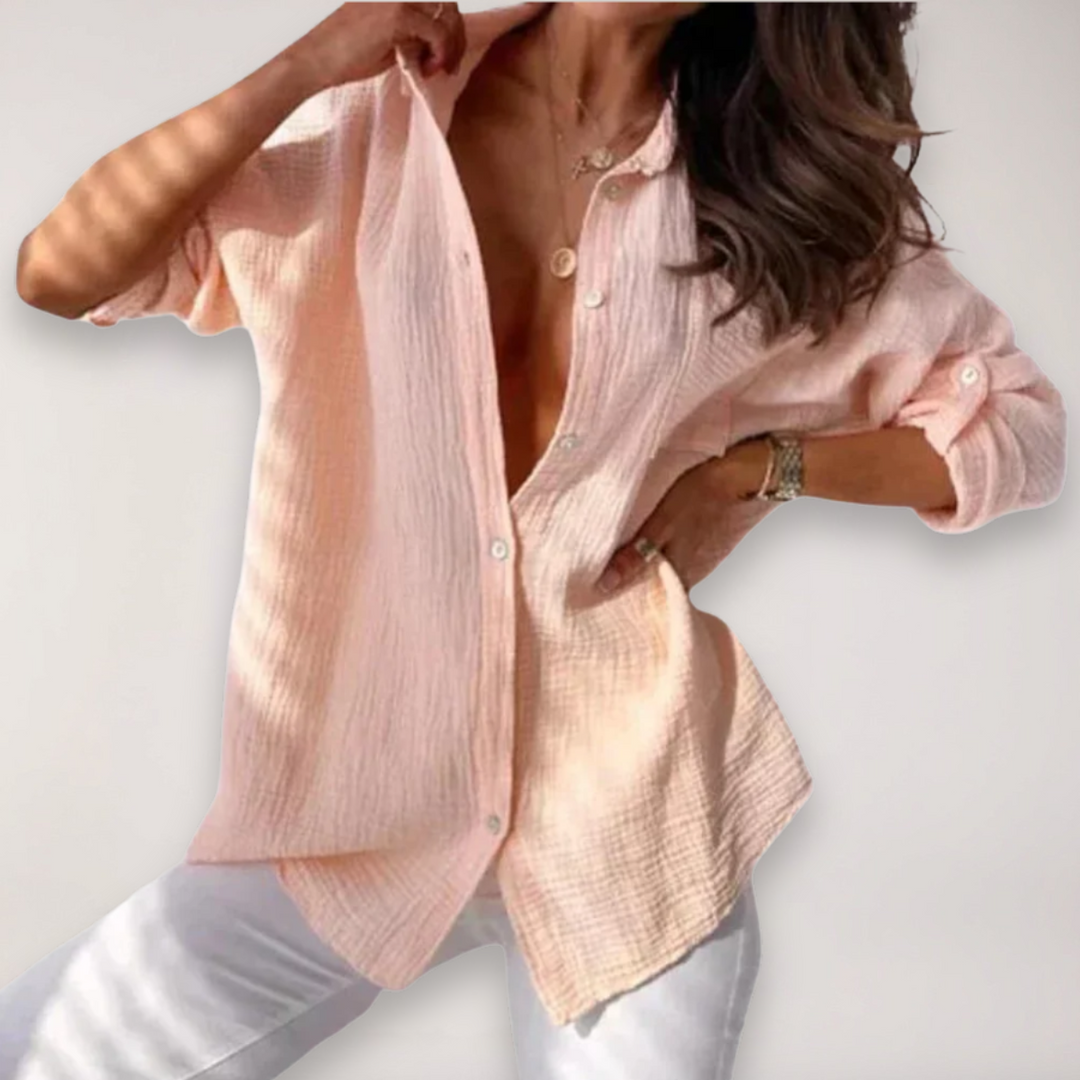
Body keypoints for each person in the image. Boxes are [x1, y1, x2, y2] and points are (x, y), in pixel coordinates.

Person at [7, 3, 1067, 1078]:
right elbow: (61, 270)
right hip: (356, 805)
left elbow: (1022, 429)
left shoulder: (762, 186)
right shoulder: (386, 114)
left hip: (624, 818)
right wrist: (310, 61)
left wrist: (758, 469)